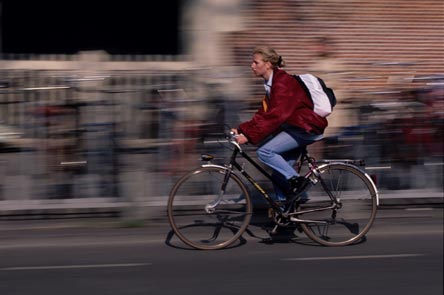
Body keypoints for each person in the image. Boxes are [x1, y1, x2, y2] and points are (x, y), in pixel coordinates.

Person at [231, 46, 328, 201]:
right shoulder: (272, 84)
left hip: (305, 129)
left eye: (256, 62)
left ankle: (298, 181)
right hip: (296, 128)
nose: (252, 66)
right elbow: (264, 114)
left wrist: (248, 136)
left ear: (268, 64)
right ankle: (286, 215)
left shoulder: (282, 84)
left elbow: (275, 117)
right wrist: (243, 129)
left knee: (265, 152)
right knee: (279, 174)